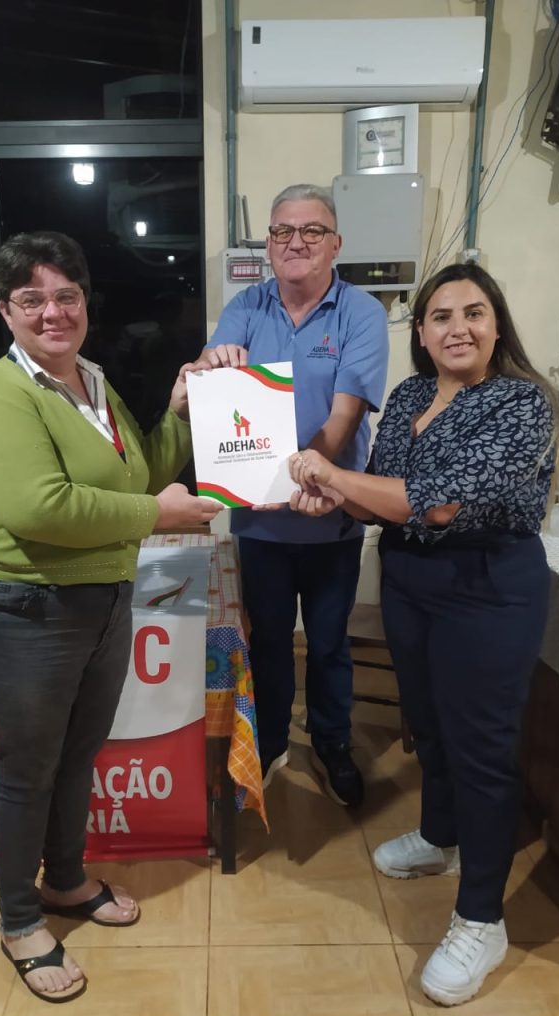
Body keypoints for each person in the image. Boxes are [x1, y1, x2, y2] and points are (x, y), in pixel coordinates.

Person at [0, 230, 221, 1004]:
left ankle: (65, 880)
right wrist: (158, 516)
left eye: (66, 295)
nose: (53, 312)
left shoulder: (92, 380)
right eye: (32, 298)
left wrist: (178, 415)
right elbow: (40, 508)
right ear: (6, 310)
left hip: (102, 603)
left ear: (85, 302)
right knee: (26, 773)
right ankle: (18, 921)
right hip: (24, 612)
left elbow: (139, 475)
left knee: (76, 761)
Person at [289, 261, 559, 1006]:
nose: (458, 328)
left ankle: (481, 918)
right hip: (410, 581)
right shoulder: (410, 395)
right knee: (430, 725)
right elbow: (381, 497)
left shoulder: (522, 401)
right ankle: (442, 838)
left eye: (474, 313)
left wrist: (333, 476)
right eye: (441, 316)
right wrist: (333, 497)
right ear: (420, 330)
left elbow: (440, 505)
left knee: (481, 749)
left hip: (487, 585)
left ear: (497, 326)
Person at [198, 184, 388, 806]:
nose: (296, 241)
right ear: (269, 243)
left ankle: (332, 742)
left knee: (329, 641)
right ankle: (273, 738)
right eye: (283, 231)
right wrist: (212, 362)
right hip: (261, 522)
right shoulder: (246, 306)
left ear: (336, 244)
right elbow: (209, 382)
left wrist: (312, 475)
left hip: (332, 515)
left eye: (312, 230)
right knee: (271, 641)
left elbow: (345, 415)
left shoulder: (361, 312)